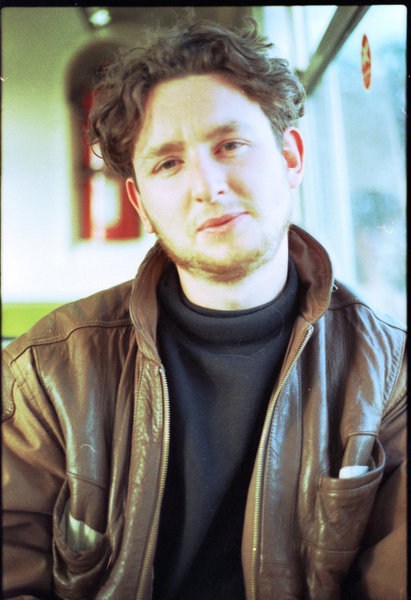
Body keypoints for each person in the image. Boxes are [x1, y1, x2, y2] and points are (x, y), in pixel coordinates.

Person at [2, 18, 406, 600]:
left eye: (230, 145)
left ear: (291, 157)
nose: (207, 186)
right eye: (168, 163)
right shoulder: (46, 373)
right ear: (141, 202)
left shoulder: (390, 372)